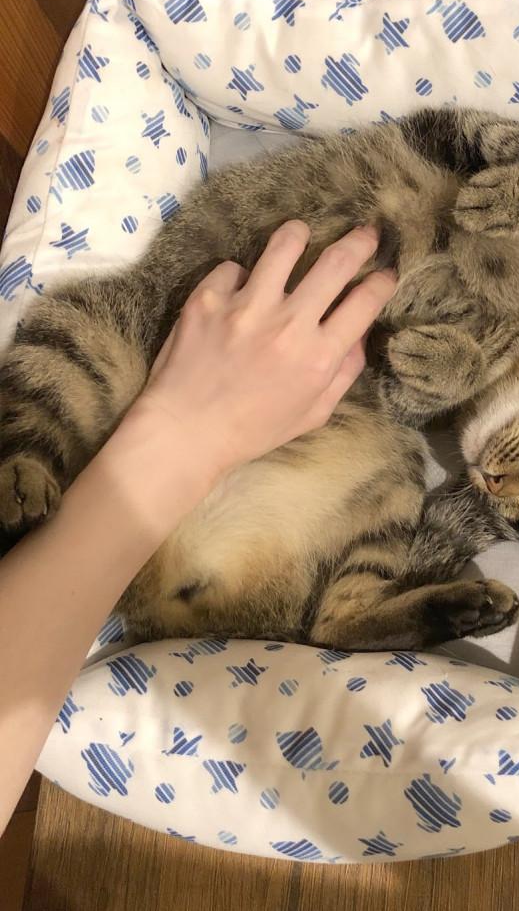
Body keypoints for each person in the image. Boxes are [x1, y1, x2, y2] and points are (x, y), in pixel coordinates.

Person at [0, 220, 395, 835]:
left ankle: (25, 462)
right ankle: (357, 607)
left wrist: (187, 430)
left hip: (139, 535)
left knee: (74, 323)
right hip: (237, 552)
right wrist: (188, 433)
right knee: (397, 465)